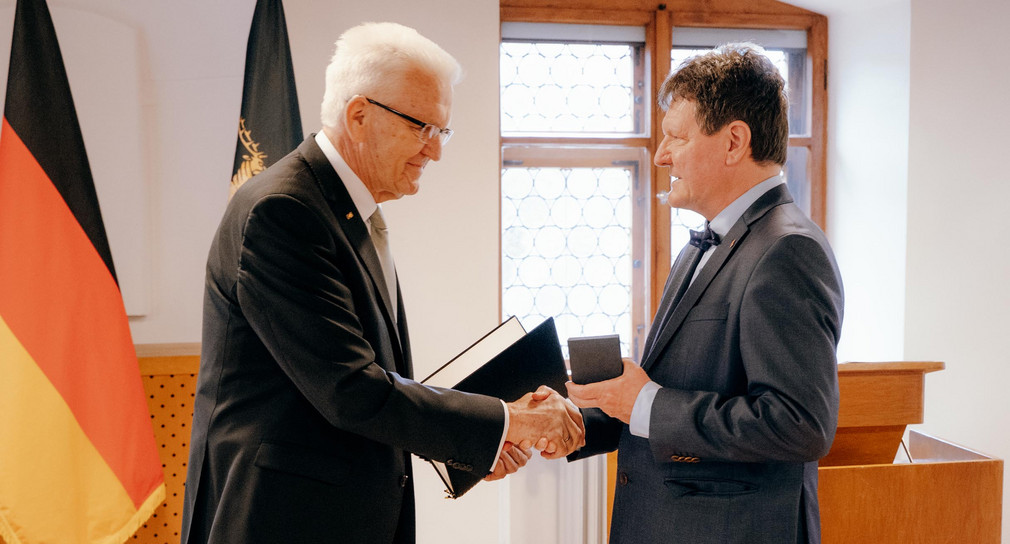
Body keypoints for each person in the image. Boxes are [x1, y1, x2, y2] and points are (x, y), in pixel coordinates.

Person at [181, 22, 583, 544]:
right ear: (359, 115)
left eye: (442, 131)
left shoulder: (343, 207)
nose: (434, 151)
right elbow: (349, 389)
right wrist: (508, 422)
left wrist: (475, 443)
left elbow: (367, 382)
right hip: (282, 520)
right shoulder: (284, 210)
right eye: (422, 128)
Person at [566, 43, 844, 544]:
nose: (660, 156)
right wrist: (581, 416)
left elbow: (800, 424)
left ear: (734, 141)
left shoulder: (787, 251)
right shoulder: (707, 242)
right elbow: (680, 386)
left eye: (676, 137)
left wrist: (646, 403)